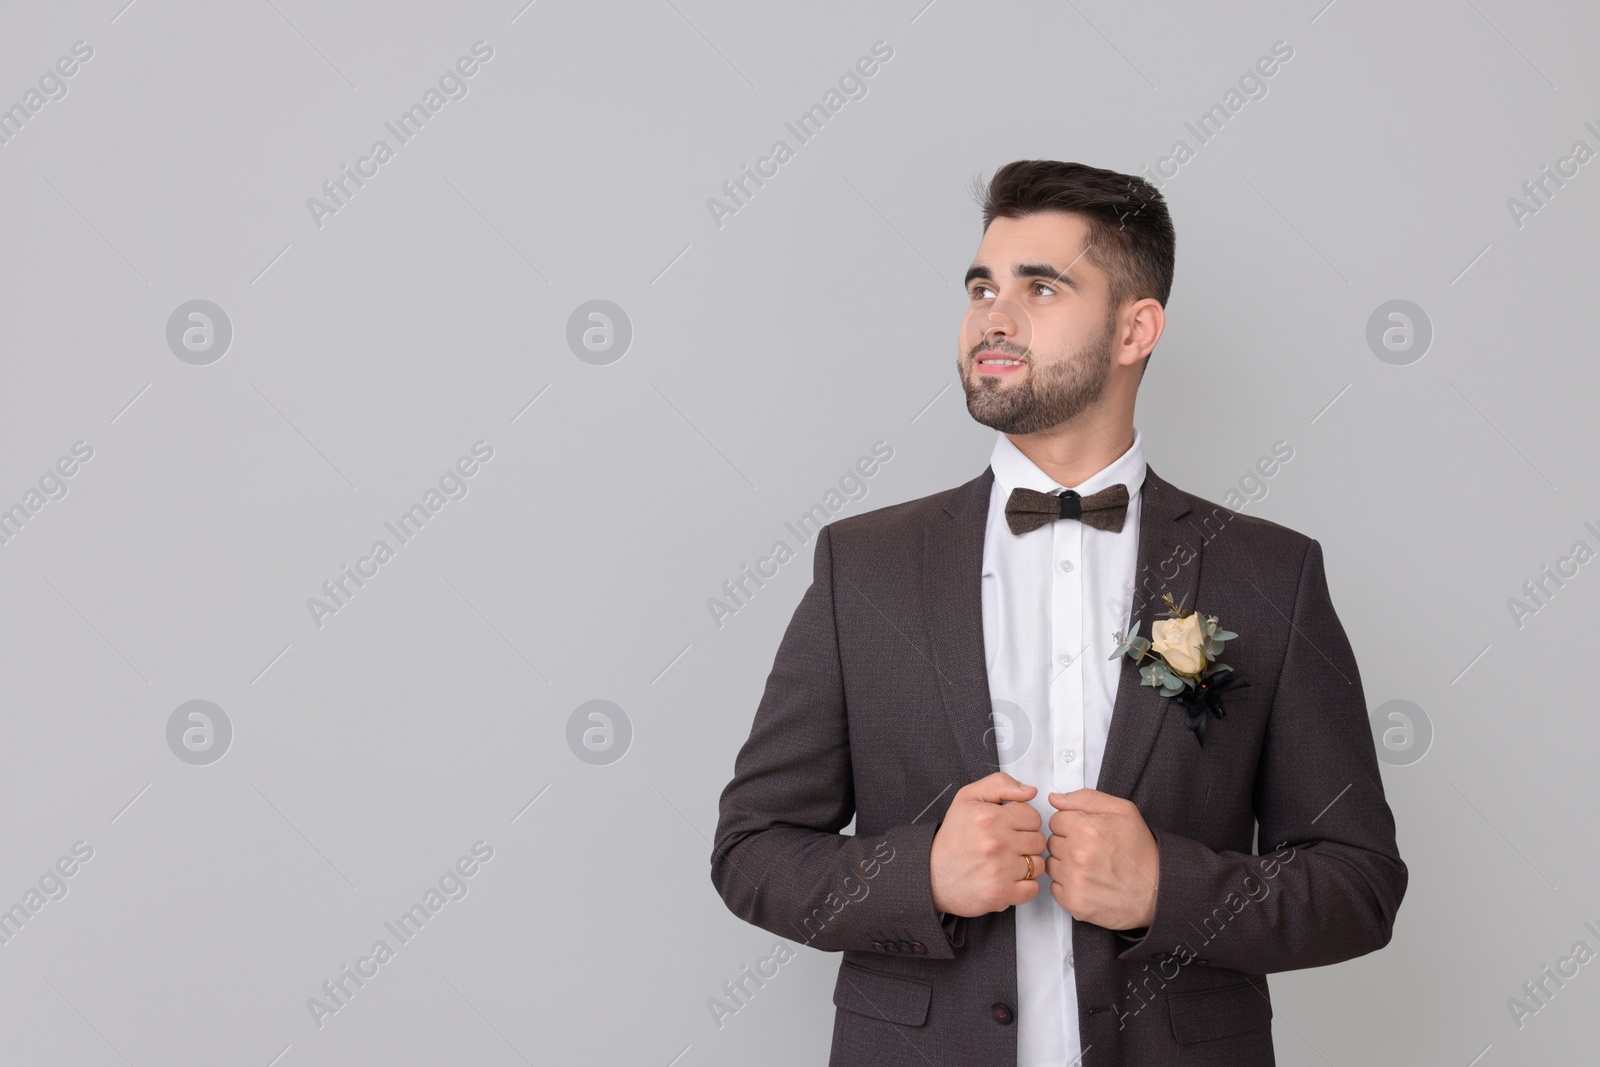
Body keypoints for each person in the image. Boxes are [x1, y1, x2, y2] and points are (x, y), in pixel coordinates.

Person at [710, 159, 1406, 1066]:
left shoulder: (1272, 571)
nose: (993, 318)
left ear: (1135, 328)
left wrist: (1170, 886)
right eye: (981, 287)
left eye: (1040, 287)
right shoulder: (863, 566)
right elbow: (752, 851)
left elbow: (1358, 883)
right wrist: (918, 874)